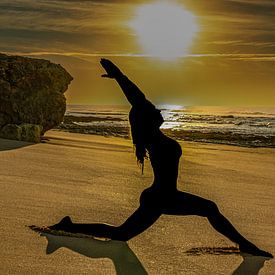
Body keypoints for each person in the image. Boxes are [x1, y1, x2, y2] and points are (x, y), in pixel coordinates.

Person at [50, 59, 272, 258]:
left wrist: (120, 77)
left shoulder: (153, 137)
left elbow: (141, 102)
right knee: (210, 208)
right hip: (162, 197)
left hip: (158, 196)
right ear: (147, 119)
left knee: (121, 234)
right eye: (153, 110)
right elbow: (138, 101)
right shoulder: (153, 139)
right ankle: (244, 244)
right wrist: (121, 78)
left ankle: (69, 227)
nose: (157, 110)